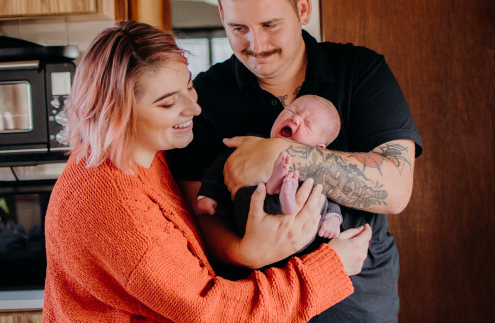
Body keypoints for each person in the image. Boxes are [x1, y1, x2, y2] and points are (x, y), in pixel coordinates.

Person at [43, 21, 373, 322]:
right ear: (118, 113)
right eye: (168, 103)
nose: (194, 107)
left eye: (189, 86)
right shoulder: (116, 210)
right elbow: (213, 312)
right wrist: (331, 268)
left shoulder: (142, 152)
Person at [167, 0, 423, 322]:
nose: (256, 44)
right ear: (222, 15)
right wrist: (250, 252)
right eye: (238, 27)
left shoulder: (360, 71)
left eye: (270, 25)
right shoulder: (204, 96)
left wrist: (278, 154)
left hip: (358, 308)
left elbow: (396, 188)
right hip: (260, 308)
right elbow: (199, 218)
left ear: (302, 9)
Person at [197, 95, 343, 242]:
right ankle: (277, 191)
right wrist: (208, 193)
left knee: (316, 191)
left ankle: (279, 191)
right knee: (248, 192)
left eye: (307, 124)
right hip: (252, 222)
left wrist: (333, 216)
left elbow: (330, 195)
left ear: (317, 149)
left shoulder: (315, 168)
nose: (295, 119)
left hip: (294, 234)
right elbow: (221, 165)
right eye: (292, 111)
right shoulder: (252, 145)